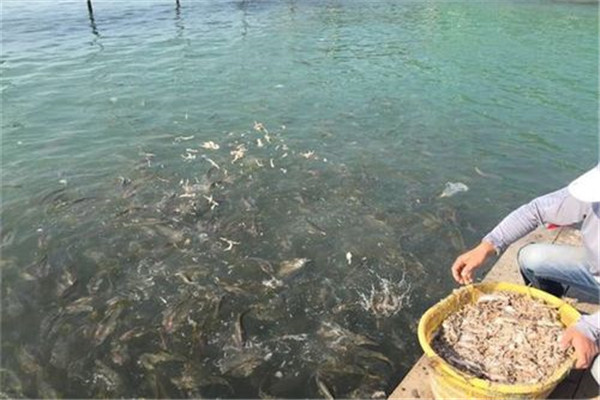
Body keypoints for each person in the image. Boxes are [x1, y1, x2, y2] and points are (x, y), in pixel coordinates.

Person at [451, 165, 600, 381]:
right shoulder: (593, 193)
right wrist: (487, 246)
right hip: (595, 272)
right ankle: (551, 308)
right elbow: (536, 210)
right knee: (532, 258)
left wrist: (590, 328)